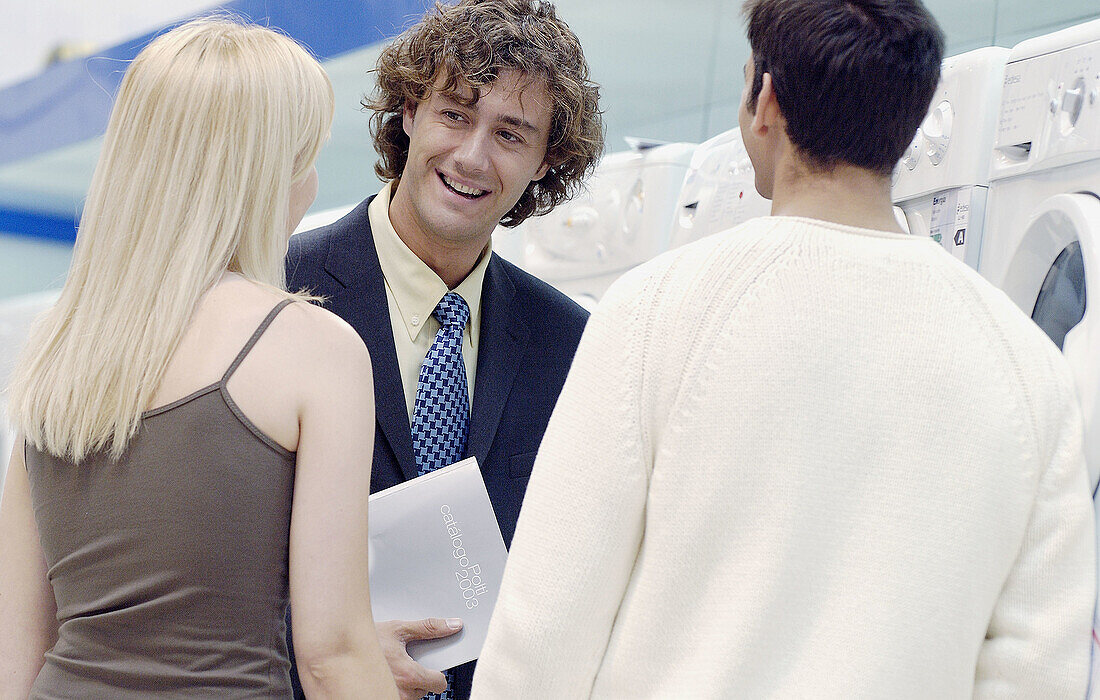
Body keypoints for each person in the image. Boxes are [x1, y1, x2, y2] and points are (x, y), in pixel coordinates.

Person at [470, 0, 1096, 697]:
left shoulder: (654, 310)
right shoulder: (1028, 363)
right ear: (911, 119)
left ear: (763, 101)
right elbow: (1037, 668)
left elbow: (545, 630)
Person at [0, 19, 398, 699]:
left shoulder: (59, 346)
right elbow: (333, 655)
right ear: (264, 173)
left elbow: (17, 654)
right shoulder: (311, 347)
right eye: (304, 157)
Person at [284, 1, 603, 698]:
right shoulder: (277, 292)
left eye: (511, 134)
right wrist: (329, 645)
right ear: (407, 110)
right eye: (455, 114)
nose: (471, 156)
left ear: (546, 161)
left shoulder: (569, 344)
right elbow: (201, 550)